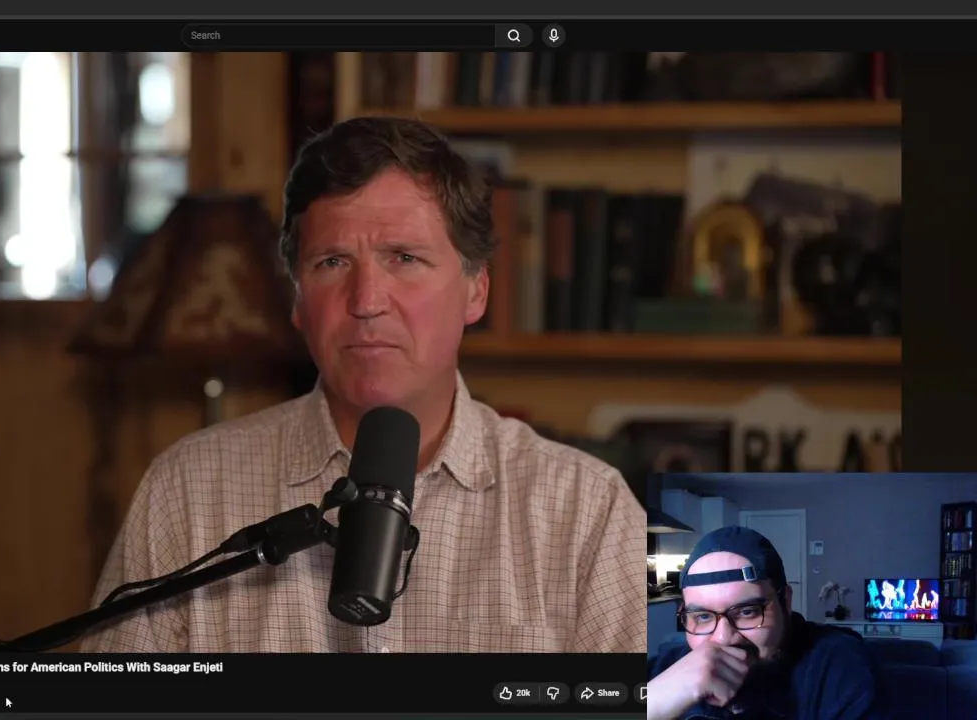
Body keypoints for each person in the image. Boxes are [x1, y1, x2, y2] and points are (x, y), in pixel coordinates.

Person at [80, 116, 645, 653]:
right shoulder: (187, 490)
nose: (367, 301)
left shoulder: (587, 511)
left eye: (404, 258)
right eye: (332, 262)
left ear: (476, 291)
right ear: (298, 299)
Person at [647, 526, 889, 719]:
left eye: (747, 612)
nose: (722, 638)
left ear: (786, 601)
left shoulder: (839, 667)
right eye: (703, 617)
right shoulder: (666, 667)